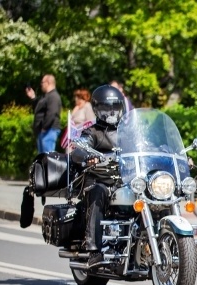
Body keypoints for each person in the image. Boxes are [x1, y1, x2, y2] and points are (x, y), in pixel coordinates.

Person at [70, 85, 126, 268]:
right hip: (99, 179)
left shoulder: (128, 131)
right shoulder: (92, 132)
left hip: (124, 182)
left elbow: (147, 145)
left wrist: (172, 154)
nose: (111, 112)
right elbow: (79, 149)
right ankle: (94, 250)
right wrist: (87, 155)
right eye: (105, 108)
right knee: (98, 192)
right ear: (97, 109)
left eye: (115, 107)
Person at [25, 74, 62, 154]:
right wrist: (33, 97)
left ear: (48, 82)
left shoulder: (53, 96)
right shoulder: (46, 96)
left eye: (42, 82)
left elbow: (52, 113)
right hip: (44, 131)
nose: (41, 85)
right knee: (42, 159)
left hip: (49, 130)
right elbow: (39, 108)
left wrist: (44, 127)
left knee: (47, 158)